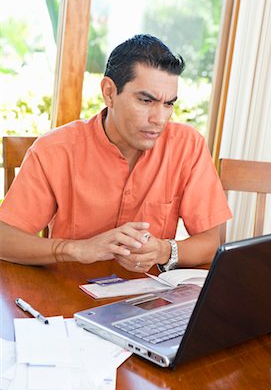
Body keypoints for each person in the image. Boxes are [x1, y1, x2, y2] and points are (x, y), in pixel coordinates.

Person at [0, 34, 231, 272]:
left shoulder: (187, 146)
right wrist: (76, 249)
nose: (159, 119)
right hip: (68, 294)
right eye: (145, 100)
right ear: (109, 92)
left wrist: (163, 250)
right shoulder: (55, 150)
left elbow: (211, 242)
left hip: (147, 298)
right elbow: (4, 239)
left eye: (168, 104)